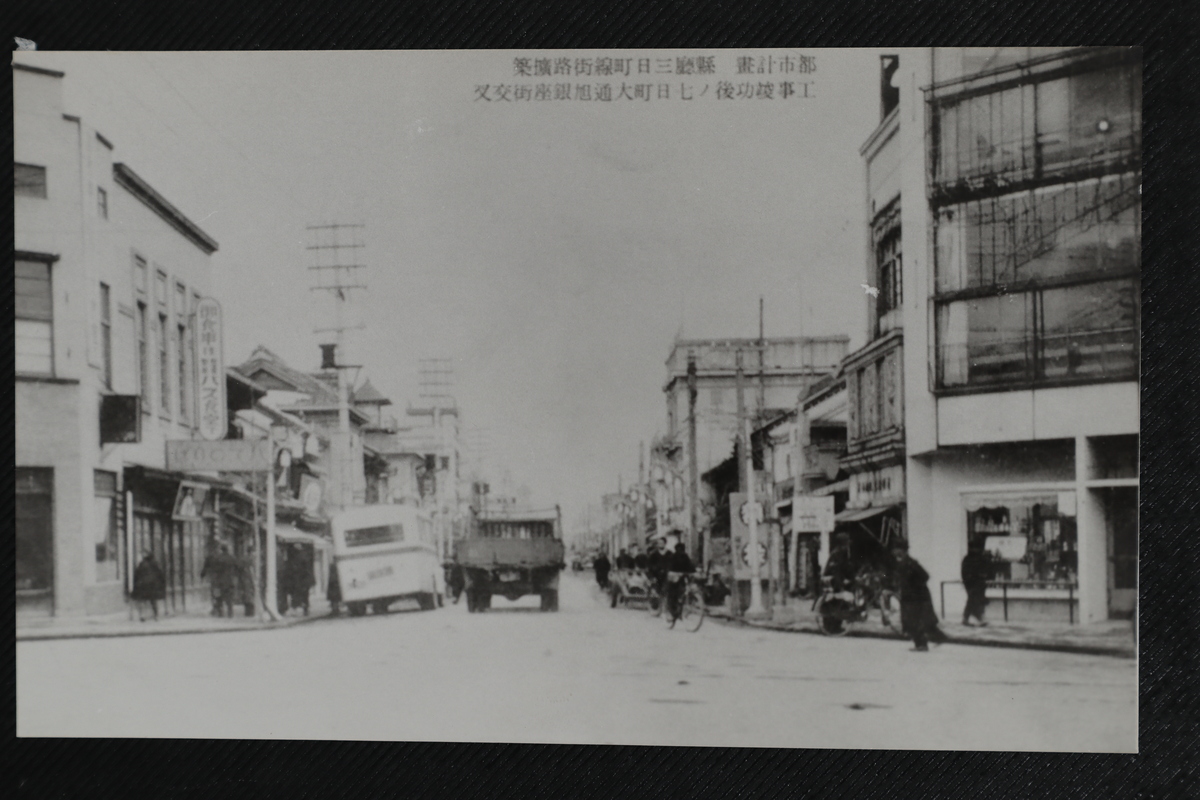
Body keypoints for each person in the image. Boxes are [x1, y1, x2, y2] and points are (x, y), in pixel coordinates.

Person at [891, 539, 948, 652]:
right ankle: (931, 641)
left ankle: (925, 643)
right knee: (915, 621)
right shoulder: (901, 562)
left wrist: (914, 586)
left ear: (903, 550)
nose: (895, 552)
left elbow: (925, 576)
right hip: (910, 597)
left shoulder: (911, 563)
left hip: (917, 597)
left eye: (898, 550)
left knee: (917, 621)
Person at [201, 543, 237, 618]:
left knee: (219, 596)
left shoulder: (218, 558)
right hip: (230, 580)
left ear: (221, 549)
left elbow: (216, 569)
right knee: (229, 597)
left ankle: (220, 612)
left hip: (220, 580)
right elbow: (236, 568)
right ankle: (230, 612)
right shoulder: (232, 558)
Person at [961, 540, 990, 627]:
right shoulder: (970, 559)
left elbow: (986, 569)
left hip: (977, 582)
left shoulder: (973, 558)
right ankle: (976, 617)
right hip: (972, 583)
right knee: (973, 599)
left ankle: (968, 617)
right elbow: (966, 573)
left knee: (974, 599)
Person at [131, 549, 166, 621]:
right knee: (153, 601)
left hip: (143, 585)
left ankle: (143, 615)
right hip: (153, 585)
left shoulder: (142, 564)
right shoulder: (154, 563)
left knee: (143, 601)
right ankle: (156, 615)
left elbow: (137, 576)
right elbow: (160, 575)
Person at [665, 542, 695, 622]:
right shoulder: (673, 557)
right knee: (673, 594)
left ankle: (680, 610)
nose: (681, 551)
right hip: (674, 579)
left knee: (683, 592)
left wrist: (693, 572)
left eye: (682, 549)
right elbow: (669, 567)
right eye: (679, 549)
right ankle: (671, 613)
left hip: (682, 578)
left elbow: (690, 566)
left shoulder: (685, 556)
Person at [287, 544, 315, 616]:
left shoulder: (298, 557)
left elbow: (299, 569)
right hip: (305, 580)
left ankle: (296, 610)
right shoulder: (306, 555)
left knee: (297, 595)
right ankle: (305, 610)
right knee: (305, 596)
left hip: (301, 580)